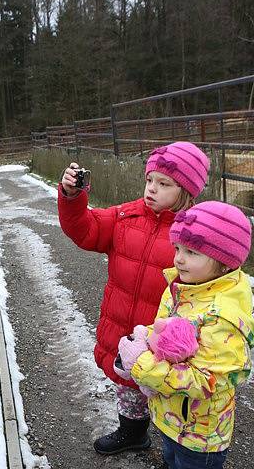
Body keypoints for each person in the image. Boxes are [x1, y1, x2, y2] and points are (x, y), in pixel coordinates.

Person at [58, 142, 210, 454]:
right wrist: (73, 198)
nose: (152, 189)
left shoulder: (196, 232)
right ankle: (133, 433)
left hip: (170, 338)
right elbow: (85, 229)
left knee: (173, 396)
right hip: (125, 330)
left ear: (188, 191)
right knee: (129, 387)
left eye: (164, 184)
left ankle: (177, 451)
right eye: (149, 180)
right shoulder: (125, 216)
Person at [117, 201, 254, 469]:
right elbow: (167, 338)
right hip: (172, 419)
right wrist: (145, 343)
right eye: (177, 248)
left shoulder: (222, 315)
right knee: (170, 459)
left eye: (191, 251)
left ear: (225, 263)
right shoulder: (183, 287)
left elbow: (207, 381)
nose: (178, 258)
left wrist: (143, 365)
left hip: (199, 436)